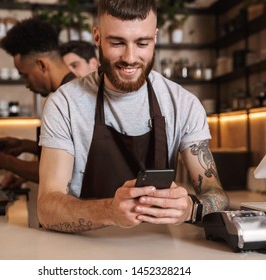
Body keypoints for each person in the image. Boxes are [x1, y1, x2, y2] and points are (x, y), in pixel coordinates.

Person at [38, 0, 229, 233]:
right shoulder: (64, 104)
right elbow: (47, 208)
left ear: (155, 38)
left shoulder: (183, 104)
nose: (130, 57)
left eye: (142, 43)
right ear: (97, 37)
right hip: (84, 248)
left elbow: (216, 195)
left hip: (159, 252)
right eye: (117, 42)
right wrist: (109, 211)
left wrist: (191, 208)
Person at [0, 17, 76, 187]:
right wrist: (25, 145)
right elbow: (68, 151)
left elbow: (56, 173)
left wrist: (4, 162)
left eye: (25, 75)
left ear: (42, 65)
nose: (26, 84)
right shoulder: (70, 92)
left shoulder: (65, 101)